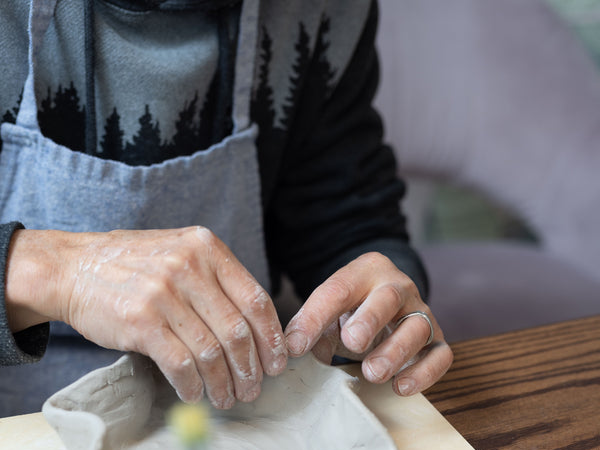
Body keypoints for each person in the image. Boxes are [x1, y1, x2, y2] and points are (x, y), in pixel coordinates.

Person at [0, 0, 452, 418]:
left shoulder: (324, 11)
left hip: (235, 409)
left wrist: (381, 307)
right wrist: (57, 274)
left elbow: (345, 222)